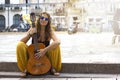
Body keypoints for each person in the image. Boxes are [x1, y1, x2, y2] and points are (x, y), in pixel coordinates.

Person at [16, 12, 62, 77]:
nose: (43, 20)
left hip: (45, 55)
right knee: (20, 45)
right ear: (39, 19)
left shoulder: (49, 31)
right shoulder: (33, 28)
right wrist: (29, 34)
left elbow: (58, 41)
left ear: (48, 21)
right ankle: (25, 69)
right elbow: (21, 41)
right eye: (42, 18)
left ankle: (53, 68)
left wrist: (44, 51)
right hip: (33, 54)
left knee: (56, 46)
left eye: (46, 19)